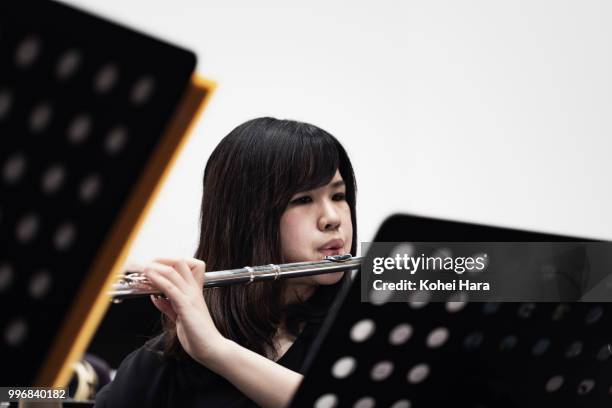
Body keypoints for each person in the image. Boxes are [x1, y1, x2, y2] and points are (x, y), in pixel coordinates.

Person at [94, 117, 357, 408]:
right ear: (248, 217)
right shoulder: (166, 363)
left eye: (338, 195)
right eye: (303, 199)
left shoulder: (376, 311)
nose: (332, 218)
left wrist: (216, 350)